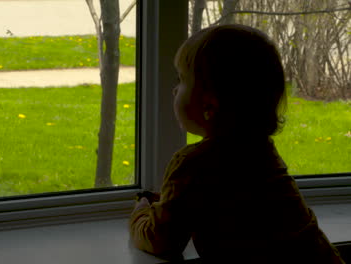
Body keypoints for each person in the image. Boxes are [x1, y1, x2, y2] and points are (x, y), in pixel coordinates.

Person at [128, 24, 345, 263]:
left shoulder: (193, 164)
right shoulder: (262, 153)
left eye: (180, 80)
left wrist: (141, 212)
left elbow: (161, 240)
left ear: (209, 106)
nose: (174, 90)